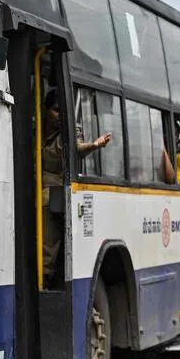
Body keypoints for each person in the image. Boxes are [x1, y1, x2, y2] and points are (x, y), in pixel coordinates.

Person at [42, 89, 111, 284]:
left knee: (48, 249)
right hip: (27, 193)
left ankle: (45, 282)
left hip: (50, 196)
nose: (59, 115)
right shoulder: (35, 128)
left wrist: (94, 146)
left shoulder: (70, 132)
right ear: (46, 111)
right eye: (55, 110)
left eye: (61, 111)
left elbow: (77, 148)